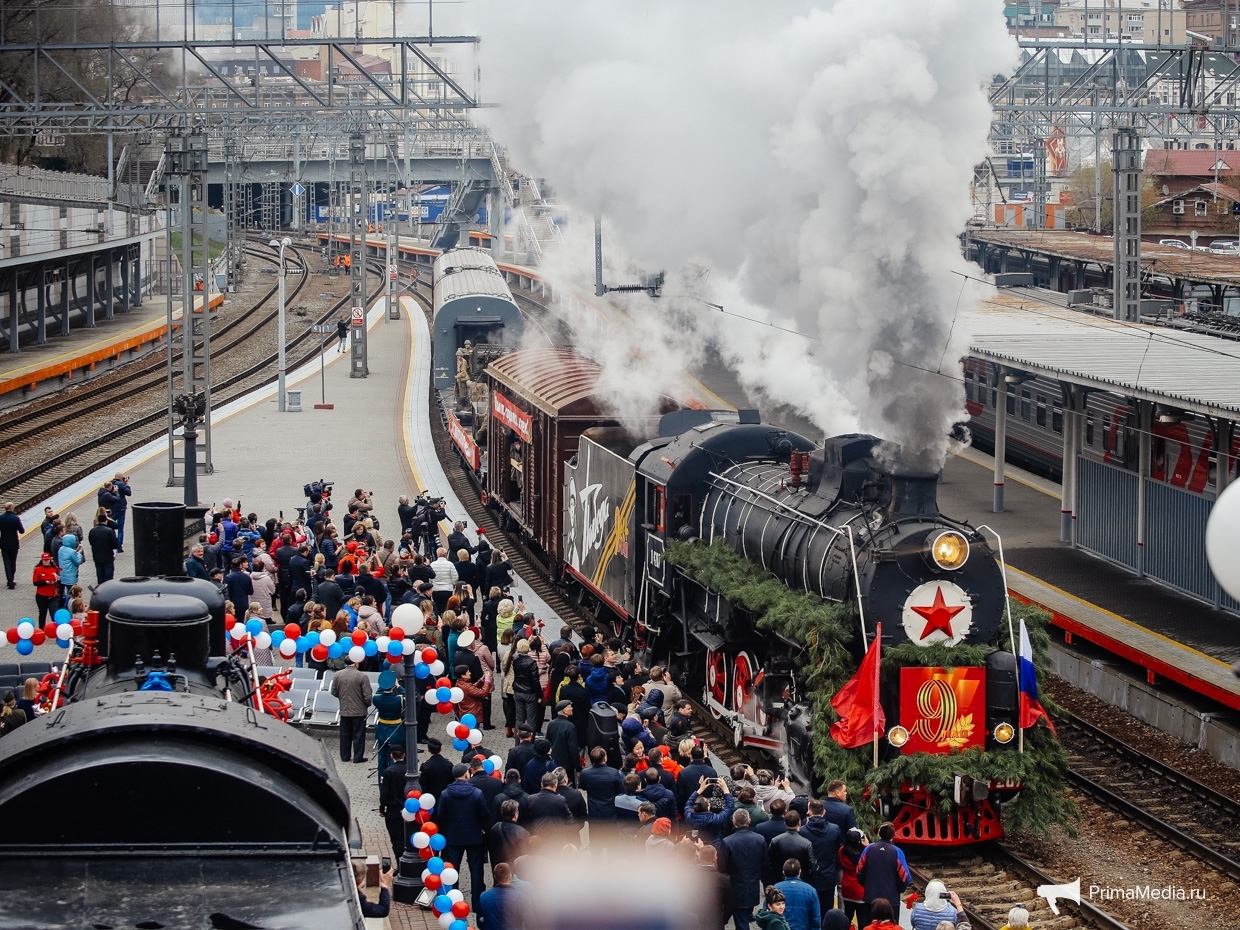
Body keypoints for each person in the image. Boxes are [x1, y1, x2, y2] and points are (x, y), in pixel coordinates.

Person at [437, 762, 489, 909]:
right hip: (474, 837)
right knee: (476, 870)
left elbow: (441, 815)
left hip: (454, 838)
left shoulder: (445, 794)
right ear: (467, 774)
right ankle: (477, 903)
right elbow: (484, 814)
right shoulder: (477, 793)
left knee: (453, 870)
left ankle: (453, 900)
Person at [719, 807, 769, 930]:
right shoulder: (760, 839)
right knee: (744, 919)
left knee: (741, 923)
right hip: (753, 887)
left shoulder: (727, 842)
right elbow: (765, 863)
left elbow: (721, 867)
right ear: (749, 821)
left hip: (735, 889)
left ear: (734, 822)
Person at [801, 797, 842, 917]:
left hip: (809, 877)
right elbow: (837, 849)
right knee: (826, 910)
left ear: (810, 812)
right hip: (828, 876)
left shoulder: (803, 831)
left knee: (810, 912)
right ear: (823, 812)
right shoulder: (834, 829)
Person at [857, 824, 909, 916]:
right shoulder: (897, 852)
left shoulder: (869, 848)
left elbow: (859, 871)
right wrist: (897, 890)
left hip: (870, 898)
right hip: (891, 900)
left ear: (879, 835)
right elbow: (905, 877)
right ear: (893, 836)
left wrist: (867, 885)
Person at [329, 657, 372, 764]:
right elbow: (367, 696)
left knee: (344, 734)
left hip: (344, 709)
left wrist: (342, 698)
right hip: (359, 711)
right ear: (356, 663)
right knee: (358, 734)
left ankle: (345, 756)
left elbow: (333, 691)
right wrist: (366, 704)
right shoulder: (362, 676)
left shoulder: (338, 675)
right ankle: (358, 757)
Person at [371, 670, 405, 779]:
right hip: (396, 729)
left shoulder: (376, 699)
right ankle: (393, 780)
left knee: (381, 759)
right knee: (394, 757)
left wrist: (385, 682)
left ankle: (382, 781)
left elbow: (378, 692)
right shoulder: (397, 699)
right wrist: (398, 686)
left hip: (382, 729)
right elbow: (409, 695)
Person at [685, 776, 735, 847]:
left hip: (696, 843)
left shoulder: (689, 816)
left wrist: (700, 789)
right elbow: (730, 808)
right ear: (708, 807)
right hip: (713, 845)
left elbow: (689, 802)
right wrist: (725, 789)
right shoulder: (715, 819)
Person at [579, 746, 626, 822]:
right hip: (610, 811)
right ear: (605, 758)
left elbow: (582, 786)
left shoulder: (585, 773)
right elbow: (621, 790)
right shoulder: (614, 773)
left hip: (594, 812)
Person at [379, 746, 410, 858]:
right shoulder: (410, 769)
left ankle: (400, 863)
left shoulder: (388, 772)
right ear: (404, 755)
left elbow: (384, 793)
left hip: (394, 810)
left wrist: (382, 809)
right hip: (410, 809)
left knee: (397, 840)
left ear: (391, 755)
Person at [477, 861, 527, 930]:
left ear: (495, 877)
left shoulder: (484, 897)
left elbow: (480, 922)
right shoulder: (521, 897)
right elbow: (528, 921)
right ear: (510, 877)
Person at [774, 859, 822, 930]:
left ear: (783, 873)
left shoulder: (775, 889)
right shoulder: (811, 891)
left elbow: (767, 913)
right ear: (799, 872)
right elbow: (815, 918)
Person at [524, 770, 574, 837]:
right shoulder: (560, 800)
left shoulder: (531, 799)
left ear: (542, 784)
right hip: (557, 838)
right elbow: (570, 820)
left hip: (539, 837)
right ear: (556, 784)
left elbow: (527, 820)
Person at [510, 639, 542, 735]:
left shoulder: (515, 660)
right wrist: (539, 694)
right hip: (529, 693)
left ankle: (518, 741)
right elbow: (535, 681)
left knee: (519, 719)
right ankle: (530, 742)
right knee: (531, 720)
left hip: (518, 690)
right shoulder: (531, 662)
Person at [839, 828, 869, 930]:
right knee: (862, 920)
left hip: (847, 888)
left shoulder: (842, 851)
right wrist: (867, 844)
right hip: (860, 890)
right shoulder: (864, 854)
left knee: (848, 915)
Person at [546, 700, 580, 783]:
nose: (572, 708)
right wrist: (578, 767)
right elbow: (573, 748)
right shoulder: (570, 726)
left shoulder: (551, 724)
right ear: (565, 710)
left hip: (554, 761)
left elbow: (547, 741)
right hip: (567, 764)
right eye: (570, 707)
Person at [488, 798, 530, 866]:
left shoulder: (495, 828)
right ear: (515, 815)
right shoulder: (522, 832)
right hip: (515, 869)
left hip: (500, 868)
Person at [420, 737, 454, 804]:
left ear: (428, 750)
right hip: (446, 798)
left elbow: (423, 784)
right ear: (441, 749)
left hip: (431, 799)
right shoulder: (449, 764)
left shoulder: (425, 766)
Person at [31, 552, 60, 626]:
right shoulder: (38, 569)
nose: (46, 561)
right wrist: (45, 582)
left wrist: (58, 580)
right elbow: (35, 582)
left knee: (54, 614)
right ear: (42, 560)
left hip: (53, 596)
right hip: (41, 596)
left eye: (47, 560)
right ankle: (42, 631)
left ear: (50, 560)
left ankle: (56, 630)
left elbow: (59, 580)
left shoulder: (54, 568)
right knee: (42, 614)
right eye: (44, 560)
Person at [0, 502, 23, 590]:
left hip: (4, 544)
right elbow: (22, 531)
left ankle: (9, 580)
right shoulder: (15, 518)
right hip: (14, 544)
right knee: (13, 562)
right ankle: (11, 580)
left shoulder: (1, 518)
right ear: (11, 508)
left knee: (6, 562)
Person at [56, 534, 83, 606]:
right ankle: (69, 605)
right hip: (70, 575)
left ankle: (63, 604)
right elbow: (77, 562)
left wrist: (75, 552)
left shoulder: (61, 549)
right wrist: (79, 553)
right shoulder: (71, 552)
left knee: (64, 591)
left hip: (63, 574)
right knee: (71, 593)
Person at [430, 547, 458, 614]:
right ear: (446, 555)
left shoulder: (432, 564)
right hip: (448, 589)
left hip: (436, 589)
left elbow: (430, 578)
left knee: (437, 607)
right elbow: (455, 577)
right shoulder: (450, 564)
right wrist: (453, 584)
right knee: (447, 607)